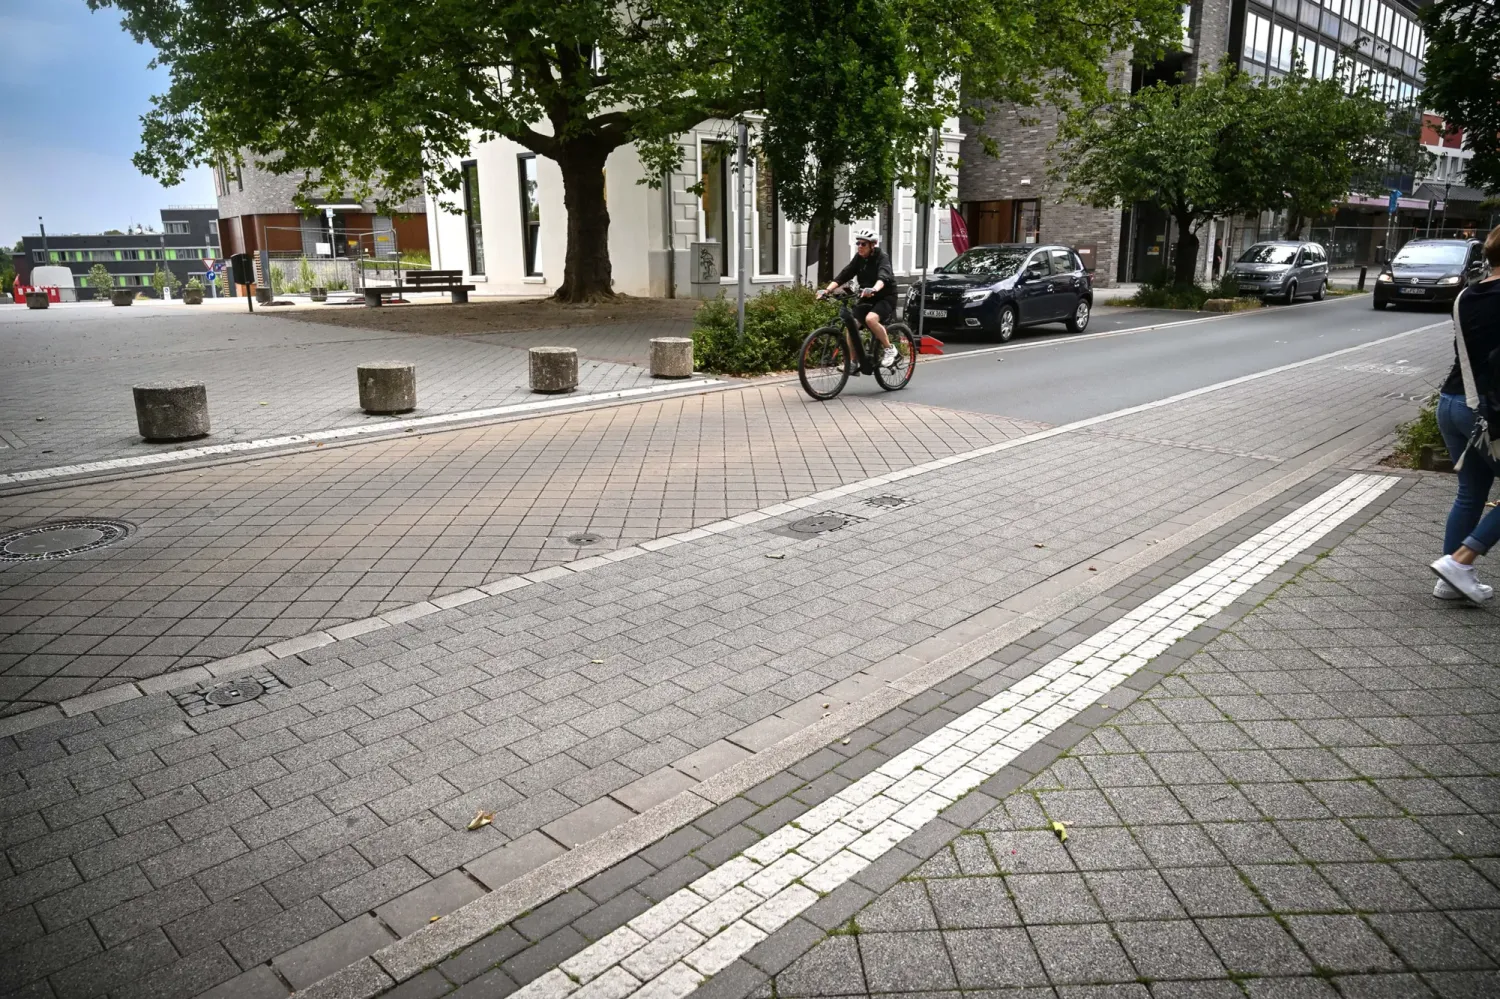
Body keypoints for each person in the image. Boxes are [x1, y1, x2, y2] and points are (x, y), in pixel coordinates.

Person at [1430, 224, 1500, 602]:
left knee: (1471, 493)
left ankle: (1451, 580)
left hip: (1453, 403)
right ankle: (1460, 561)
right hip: (1487, 413)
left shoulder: (1467, 295)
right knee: (1472, 493)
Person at [819, 227, 898, 368]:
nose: (860, 247)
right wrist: (827, 290)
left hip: (885, 296)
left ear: (872, 245)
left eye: (863, 244)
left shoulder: (882, 257)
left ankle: (889, 349)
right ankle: (853, 362)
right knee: (852, 326)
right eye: (858, 243)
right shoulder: (859, 258)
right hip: (866, 296)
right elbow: (845, 274)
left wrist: (874, 288)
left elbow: (883, 276)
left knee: (870, 319)